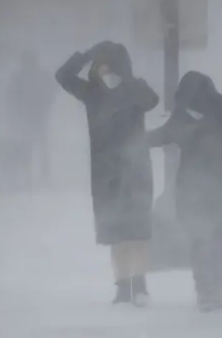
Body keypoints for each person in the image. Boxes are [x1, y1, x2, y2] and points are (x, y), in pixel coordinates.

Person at [55, 41, 159, 307]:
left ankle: (139, 285)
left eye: (105, 62)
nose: (101, 68)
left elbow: (153, 99)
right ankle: (124, 286)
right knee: (117, 233)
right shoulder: (93, 92)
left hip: (135, 170)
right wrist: (86, 53)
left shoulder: (133, 89)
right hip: (107, 174)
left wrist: (129, 81)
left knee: (137, 232)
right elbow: (63, 76)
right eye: (97, 63)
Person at [147, 71, 222, 312]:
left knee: (205, 241)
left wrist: (203, 127)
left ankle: (208, 292)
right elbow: (164, 135)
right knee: (213, 241)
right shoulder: (188, 114)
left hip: (214, 189)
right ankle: (210, 291)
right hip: (215, 189)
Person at [4, 50, 56, 189]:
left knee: (37, 145)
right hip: (30, 116)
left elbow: (51, 91)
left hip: (35, 115)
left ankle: (40, 173)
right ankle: (34, 174)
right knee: (32, 145)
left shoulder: (26, 76)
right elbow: (10, 95)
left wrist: (45, 103)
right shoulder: (24, 77)